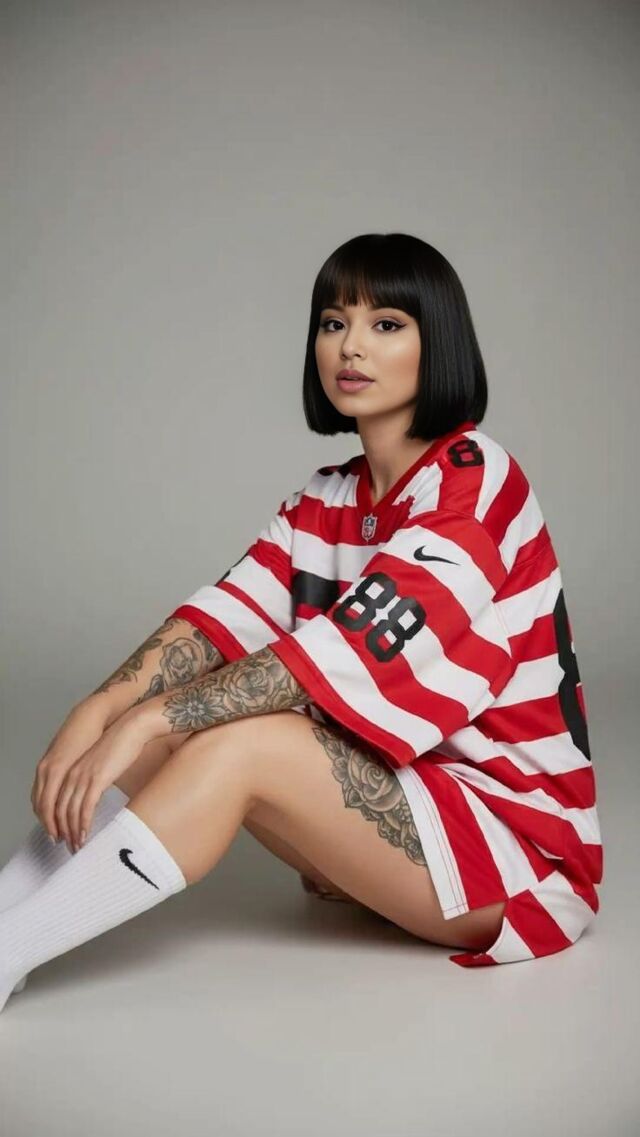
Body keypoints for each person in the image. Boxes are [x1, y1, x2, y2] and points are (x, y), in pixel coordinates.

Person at [0, 233, 603, 1012]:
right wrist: (102, 708)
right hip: (415, 806)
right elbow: (218, 621)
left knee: (240, 736)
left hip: (518, 853)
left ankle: (11, 950)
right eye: (333, 322)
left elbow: (336, 656)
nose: (351, 345)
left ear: (439, 343)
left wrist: (147, 717)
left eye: (387, 324)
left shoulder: (476, 480)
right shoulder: (327, 495)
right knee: (148, 723)